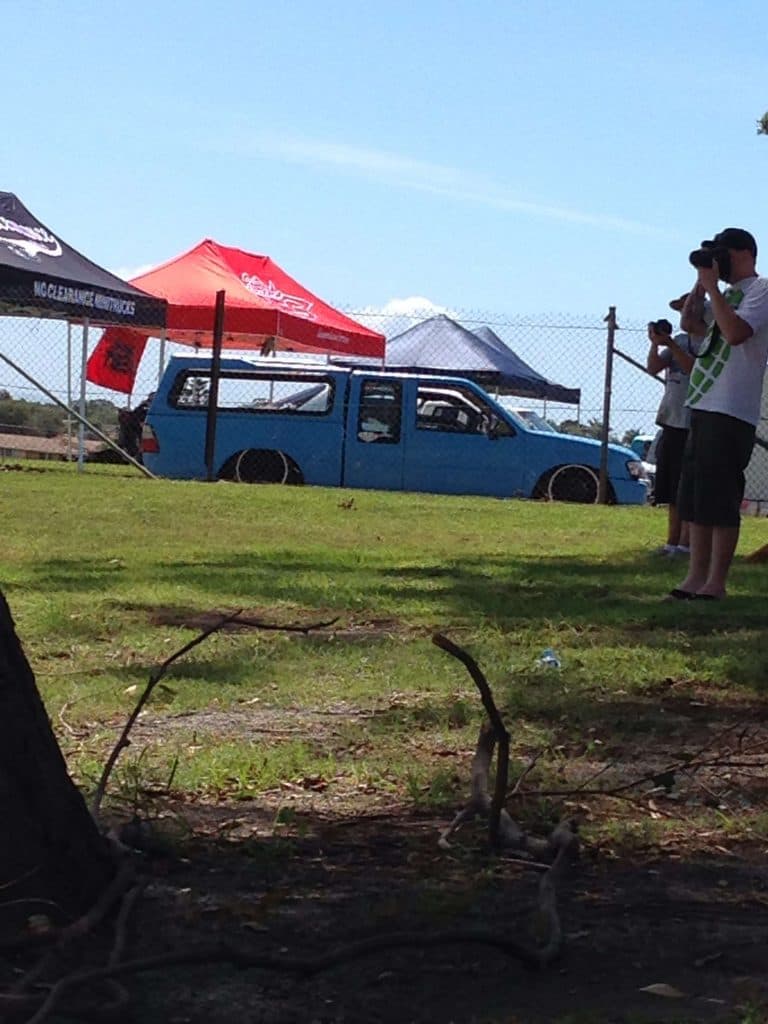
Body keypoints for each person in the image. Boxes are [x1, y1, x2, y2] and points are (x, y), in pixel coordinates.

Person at [668, 227, 768, 600]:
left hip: (732, 409)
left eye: (723, 255)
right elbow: (691, 325)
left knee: (720, 497)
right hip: (704, 403)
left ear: (743, 253)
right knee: (695, 497)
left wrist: (713, 290)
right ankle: (694, 578)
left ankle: (716, 582)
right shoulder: (725, 294)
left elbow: (737, 332)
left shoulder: (761, 290)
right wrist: (702, 283)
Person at [646, 314, 697, 555]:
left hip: (692, 423)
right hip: (670, 420)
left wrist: (674, 346)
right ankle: (671, 543)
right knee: (670, 488)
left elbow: (692, 369)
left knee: (687, 487)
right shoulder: (679, 339)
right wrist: (656, 343)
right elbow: (653, 368)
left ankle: (686, 545)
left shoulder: (706, 343)